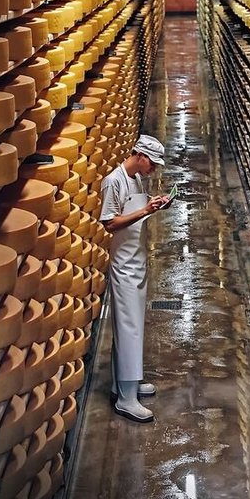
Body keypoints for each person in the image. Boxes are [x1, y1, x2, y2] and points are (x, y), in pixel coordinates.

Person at [99, 134, 172, 423]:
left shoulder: (137, 179)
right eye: (152, 163)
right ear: (140, 155)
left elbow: (136, 215)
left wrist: (155, 205)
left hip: (137, 260)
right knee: (128, 327)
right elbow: (109, 223)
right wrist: (144, 210)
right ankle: (126, 400)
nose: (154, 168)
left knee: (134, 326)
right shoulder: (113, 181)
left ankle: (126, 382)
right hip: (124, 266)